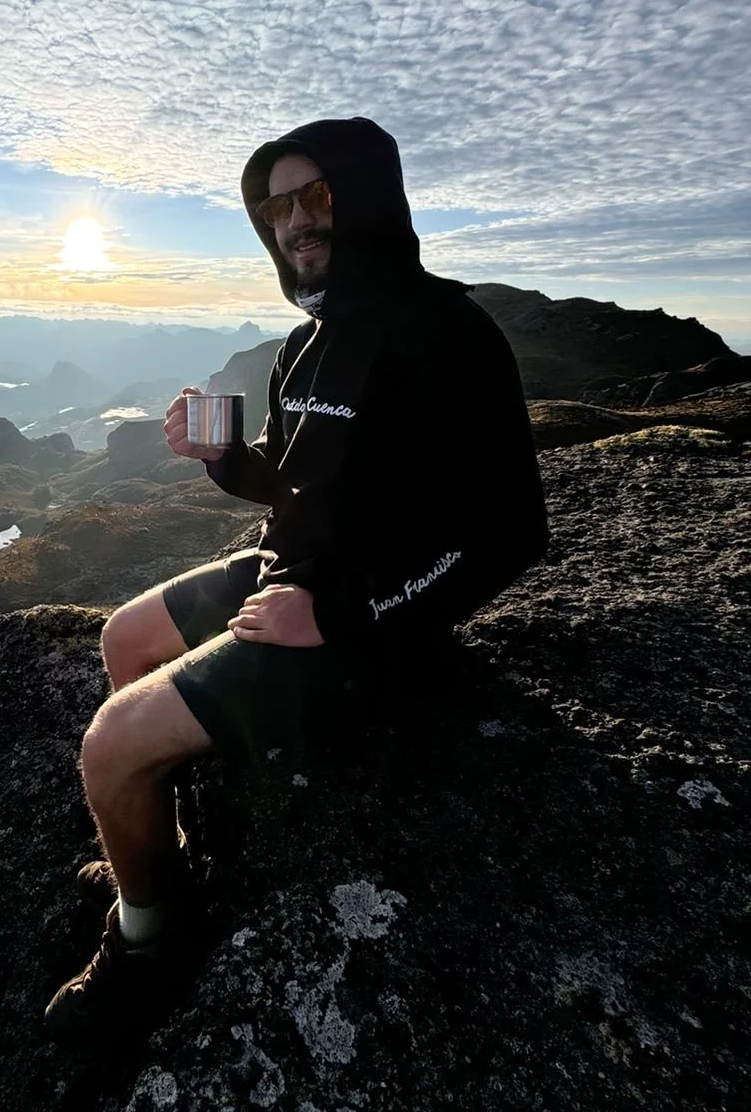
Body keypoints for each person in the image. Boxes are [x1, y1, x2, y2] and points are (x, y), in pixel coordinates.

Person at [43, 116, 549, 1044]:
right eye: (274, 209)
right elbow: (293, 478)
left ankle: (149, 944)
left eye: (315, 196)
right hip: (293, 574)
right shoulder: (303, 345)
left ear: (368, 196)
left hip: (364, 623)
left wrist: (341, 616)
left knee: (109, 744)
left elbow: (509, 532)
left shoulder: (447, 333)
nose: (294, 223)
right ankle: (162, 851)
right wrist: (225, 457)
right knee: (123, 639)